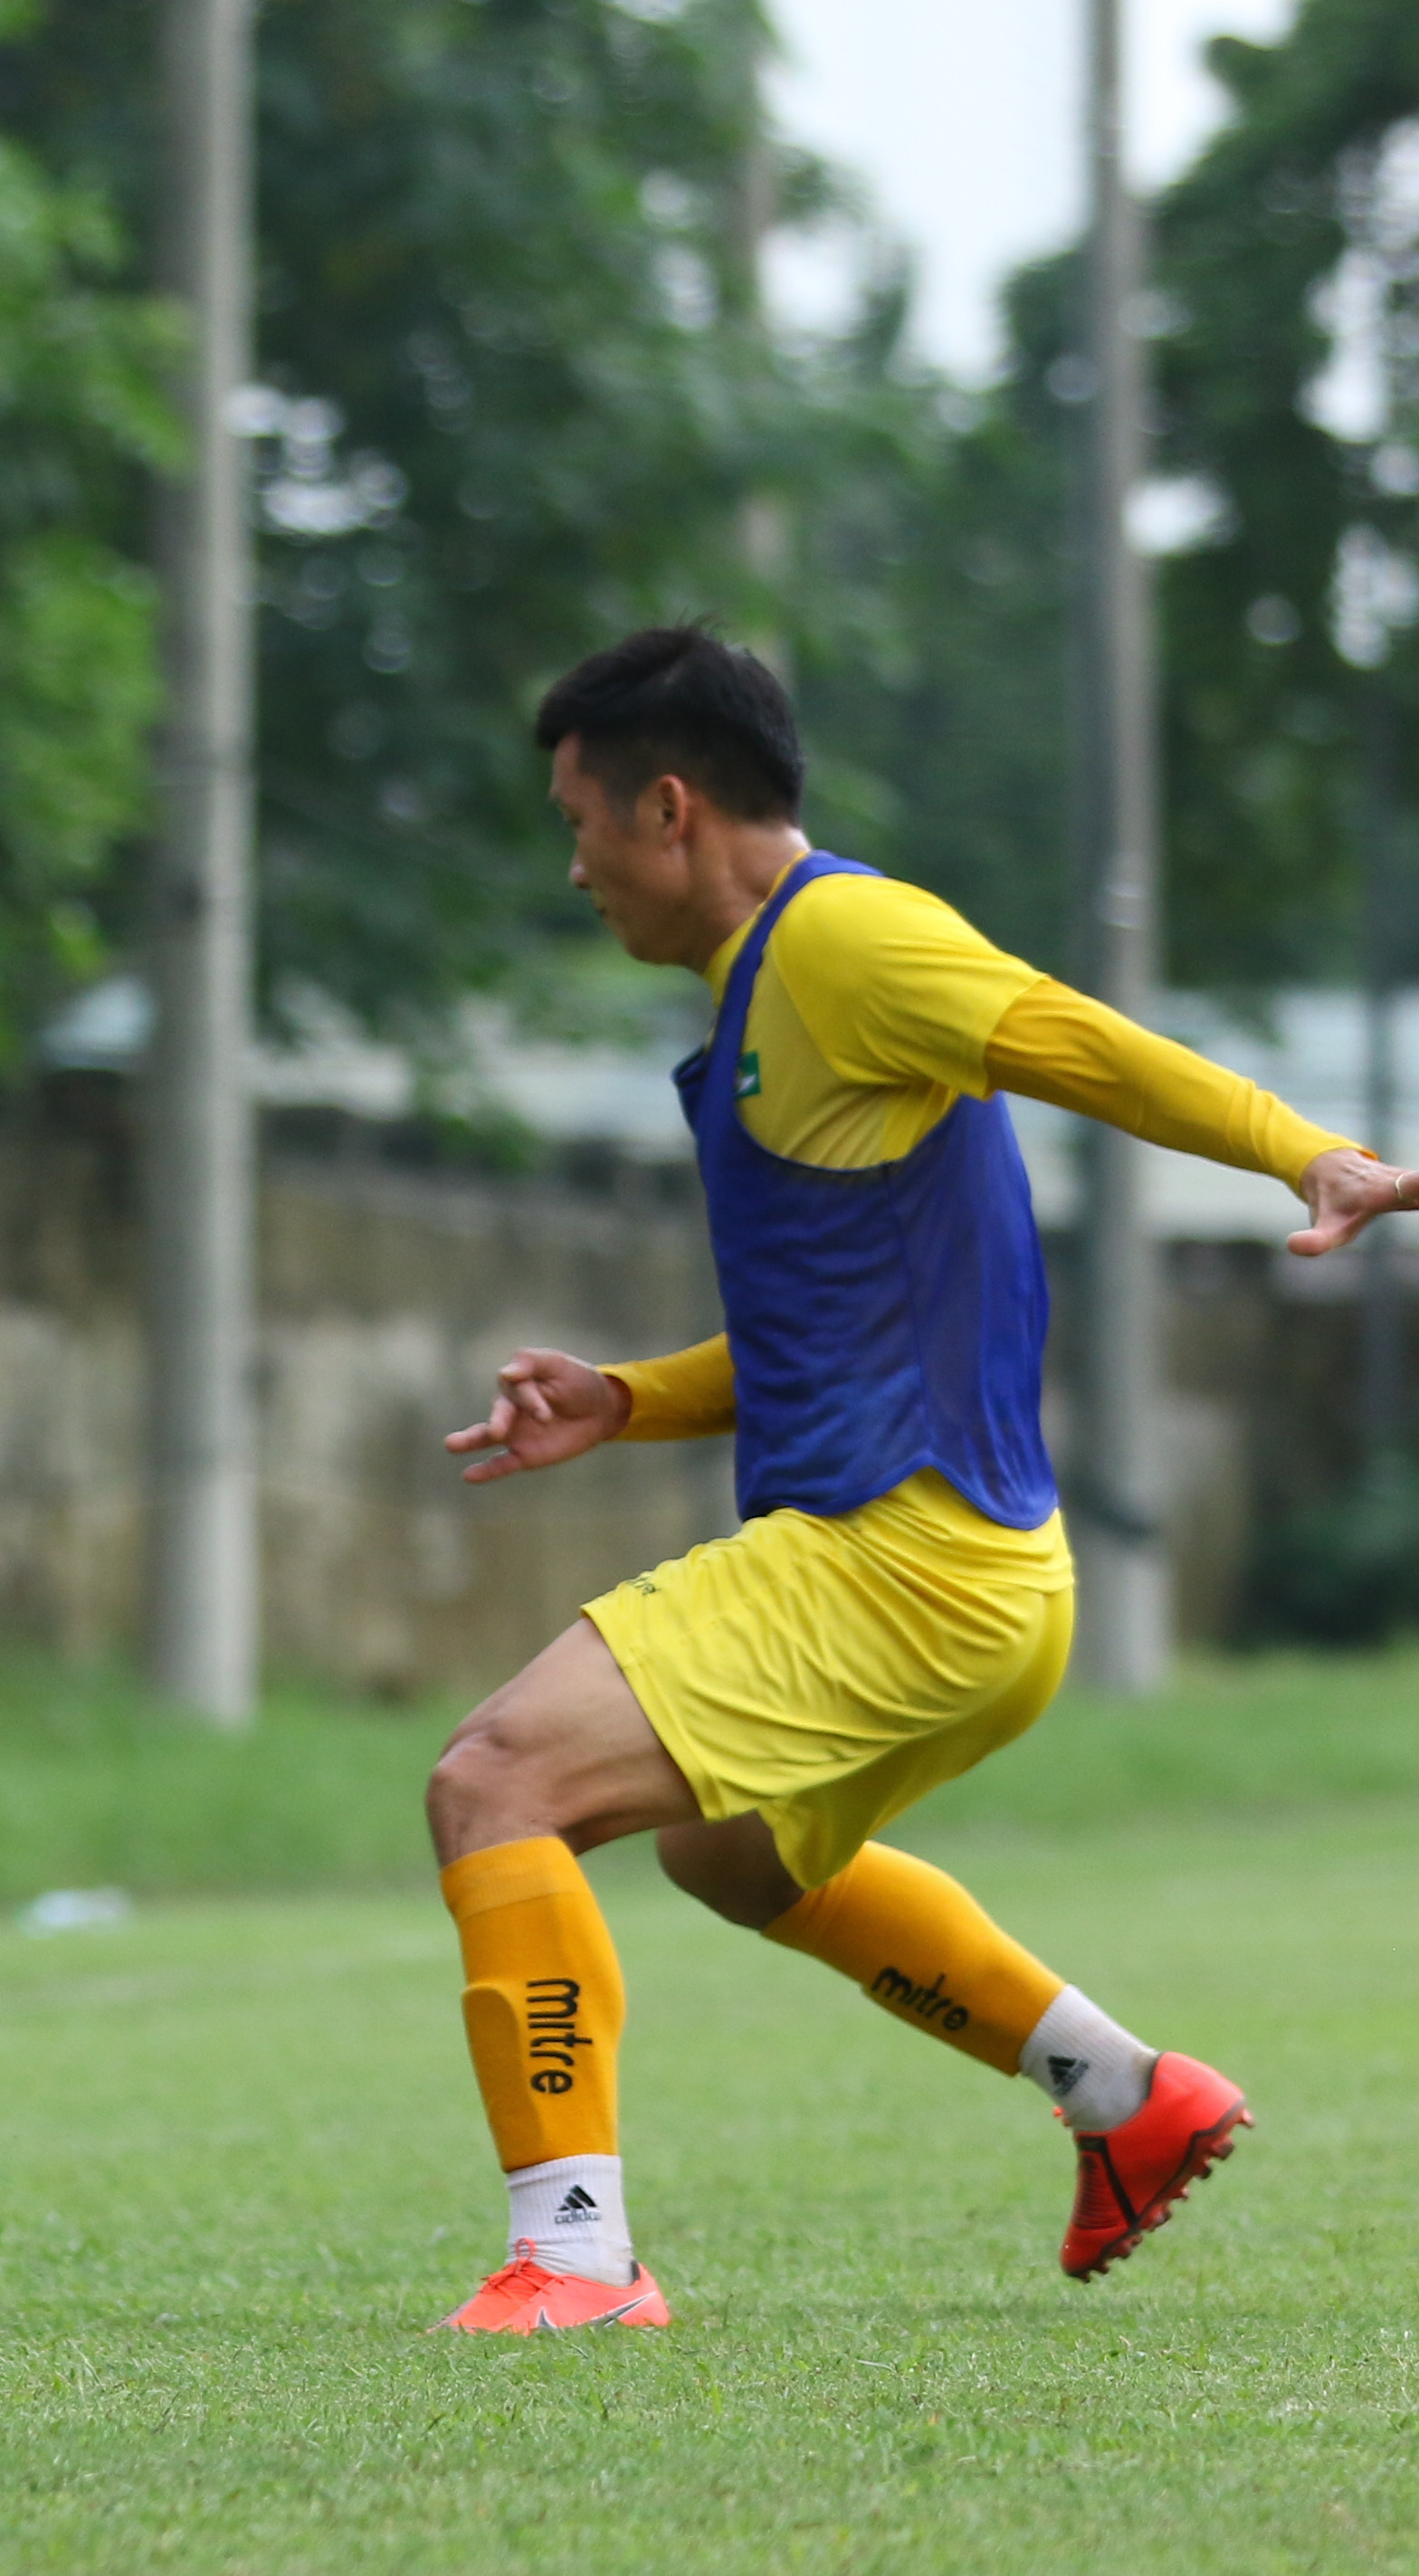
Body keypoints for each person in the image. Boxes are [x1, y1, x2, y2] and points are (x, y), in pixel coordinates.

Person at [424, 625, 1419, 2331]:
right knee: (730, 1858)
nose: (572, 862)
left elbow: (1070, 1034)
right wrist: (627, 1398)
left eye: (579, 819)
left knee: (495, 1781)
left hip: (900, 1561)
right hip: (974, 1582)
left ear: (670, 808)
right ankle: (1124, 2092)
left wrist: (1307, 1152)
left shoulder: (845, 940)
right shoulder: (774, 996)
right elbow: (839, 1334)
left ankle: (575, 2259)